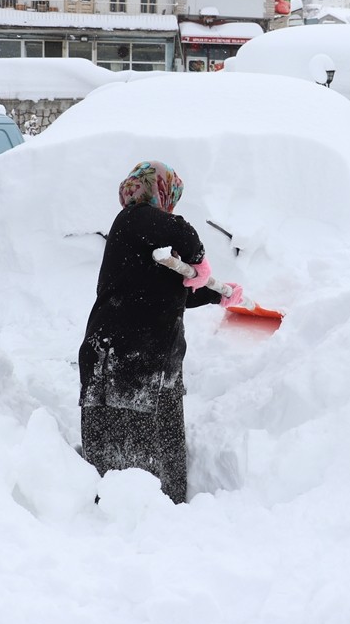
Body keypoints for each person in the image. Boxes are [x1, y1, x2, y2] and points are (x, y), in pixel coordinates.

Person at [78, 160, 243, 504]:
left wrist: (218, 293)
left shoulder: (145, 241)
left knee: (154, 442)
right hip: (125, 355)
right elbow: (182, 232)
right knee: (133, 449)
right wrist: (200, 259)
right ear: (158, 190)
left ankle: (162, 508)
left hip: (149, 358)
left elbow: (174, 290)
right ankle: (126, 513)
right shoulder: (134, 218)